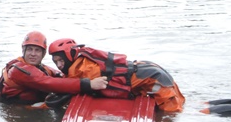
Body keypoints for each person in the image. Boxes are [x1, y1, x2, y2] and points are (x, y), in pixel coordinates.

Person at [48, 38, 186, 112]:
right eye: (56, 62)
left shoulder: (83, 69)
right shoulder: (82, 61)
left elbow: (73, 86)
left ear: (70, 56)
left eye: (61, 60)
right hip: (147, 70)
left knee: (173, 112)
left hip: (151, 78)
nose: (59, 65)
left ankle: (202, 113)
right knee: (181, 104)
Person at [0, 31, 108, 104]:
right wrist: (89, 84)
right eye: (29, 49)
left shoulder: (42, 68)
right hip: (18, 112)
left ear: (43, 54)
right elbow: (47, 82)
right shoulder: (18, 70)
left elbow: (59, 77)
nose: (33, 54)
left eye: (37, 50)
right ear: (23, 50)